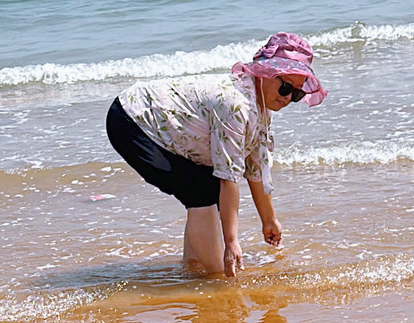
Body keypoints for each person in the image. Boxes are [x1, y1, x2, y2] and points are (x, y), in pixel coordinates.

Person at [105, 32, 326, 278]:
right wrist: (232, 242)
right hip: (132, 120)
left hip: (151, 122)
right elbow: (229, 176)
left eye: (296, 94)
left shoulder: (261, 109)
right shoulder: (236, 105)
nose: (287, 98)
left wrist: (269, 220)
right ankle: (217, 279)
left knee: (205, 187)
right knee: (201, 189)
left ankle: (193, 267)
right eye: (285, 87)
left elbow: (254, 167)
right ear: (264, 73)